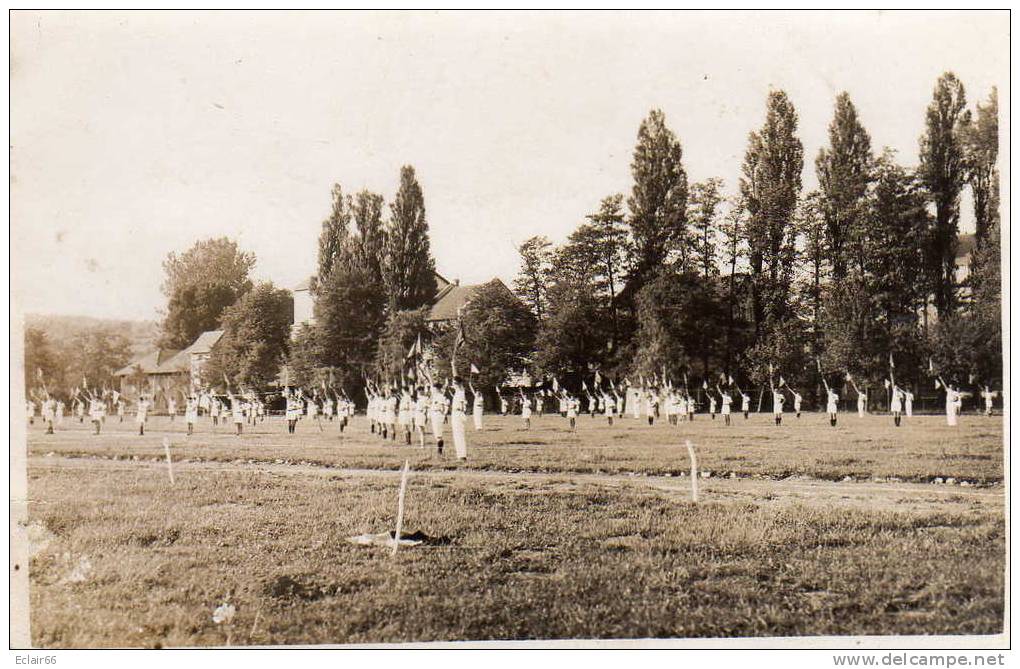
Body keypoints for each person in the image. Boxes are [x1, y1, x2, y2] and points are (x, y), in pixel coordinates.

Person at [450, 377, 469, 461]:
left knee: (459, 435)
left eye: (455, 383)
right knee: (456, 435)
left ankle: (462, 456)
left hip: (458, 413)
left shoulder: (461, 392)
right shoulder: (457, 392)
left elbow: (462, 406)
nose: (453, 385)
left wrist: (453, 365)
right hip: (455, 413)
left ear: (459, 384)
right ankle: (460, 455)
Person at [429, 383, 446, 454]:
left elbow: (442, 408)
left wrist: (442, 415)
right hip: (434, 414)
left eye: (434, 388)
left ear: (437, 389)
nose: (433, 390)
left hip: (438, 414)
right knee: (436, 433)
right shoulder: (435, 396)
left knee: (439, 434)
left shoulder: (440, 396)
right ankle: (439, 450)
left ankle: (440, 451)